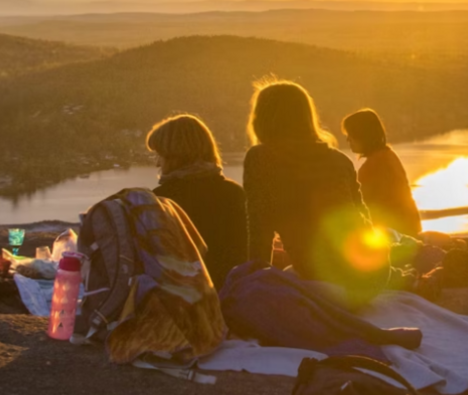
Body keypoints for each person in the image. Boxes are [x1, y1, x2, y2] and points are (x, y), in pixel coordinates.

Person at [242, 80, 388, 292]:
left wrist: (254, 288)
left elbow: (259, 234)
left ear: (262, 118)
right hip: (374, 275)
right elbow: (364, 219)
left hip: (329, 280)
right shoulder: (339, 159)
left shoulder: (260, 158)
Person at [146, 114, 246, 283]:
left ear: (174, 155)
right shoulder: (235, 193)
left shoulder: (162, 201)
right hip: (233, 295)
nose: (157, 164)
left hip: (185, 301)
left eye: (159, 155)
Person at [340, 108, 422, 238]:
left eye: (351, 135)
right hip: (409, 229)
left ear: (363, 135)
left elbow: (359, 206)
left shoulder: (373, 166)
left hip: (393, 235)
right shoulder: (388, 156)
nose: (348, 140)